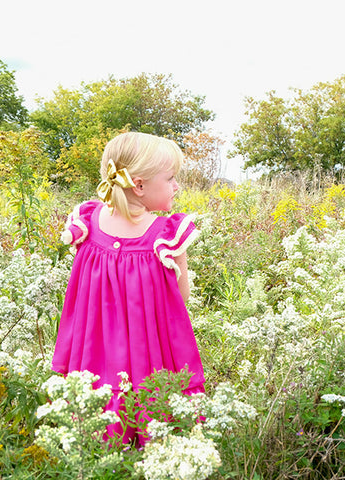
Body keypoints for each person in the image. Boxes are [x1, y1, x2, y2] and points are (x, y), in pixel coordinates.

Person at [52, 131, 205, 443]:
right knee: (154, 418)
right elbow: (182, 297)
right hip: (150, 354)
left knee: (98, 426)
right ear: (139, 185)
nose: (177, 186)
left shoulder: (89, 225)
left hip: (95, 354)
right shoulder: (166, 236)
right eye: (171, 178)